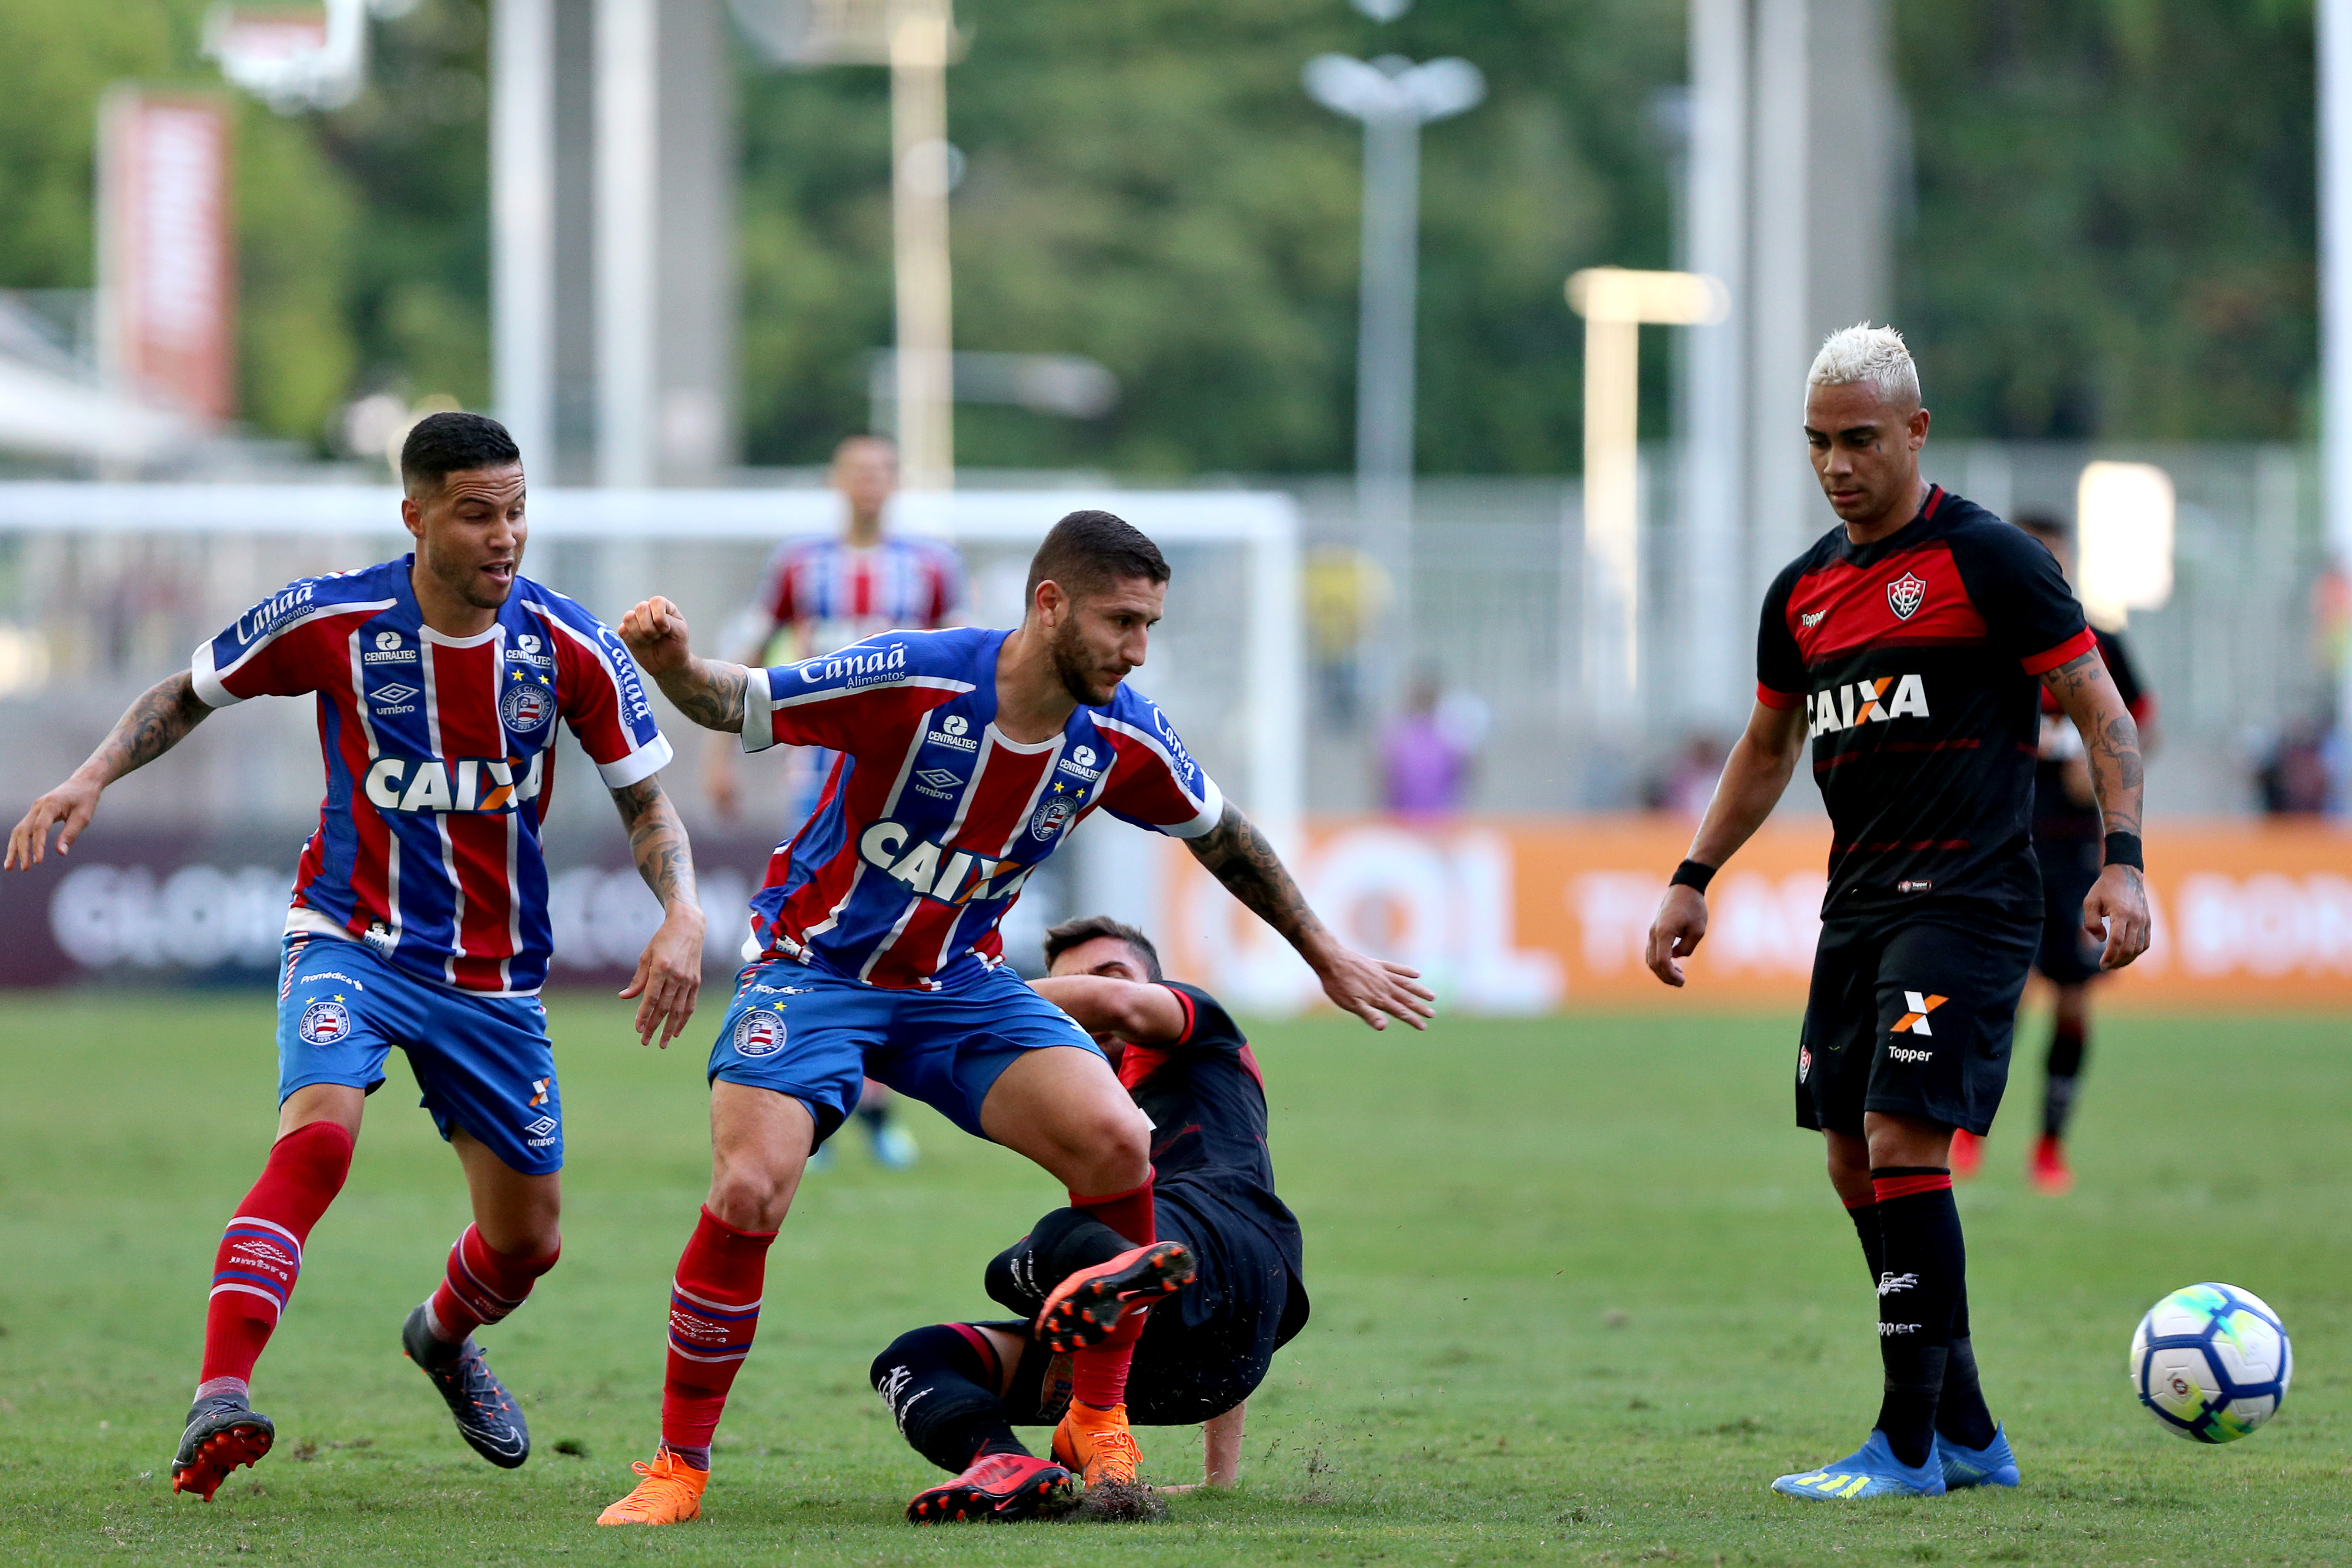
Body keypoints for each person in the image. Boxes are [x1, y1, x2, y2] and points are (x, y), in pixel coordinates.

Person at [594, 509, 1432, 1526]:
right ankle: (678, 1468)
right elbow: (740, 700)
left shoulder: (1117, 732)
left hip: (962, 986)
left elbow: (1224, 835)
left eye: (1149, 626)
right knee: (751, 1184)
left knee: (1121, 1139)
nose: (1136, 648)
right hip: (816, 970)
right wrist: (676, 664)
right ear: (1050, 603)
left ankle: (1097, 1417)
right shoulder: (919, 675)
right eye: (1122, 621)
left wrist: (1327, 952)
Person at [3, 412, 706, 1501]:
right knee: (318, 1140)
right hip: (351, 938)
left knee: (527, 1247)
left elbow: (647, 801)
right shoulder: (334, 616)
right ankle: (218, 1395)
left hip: (495, 978)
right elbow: (187, 692)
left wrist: (684, 913)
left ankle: (439, 1336)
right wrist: (93, 775)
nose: (505, 536)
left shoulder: (568, 645)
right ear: (416, 515)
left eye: (517, 511)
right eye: (478, 514)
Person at [1642, 326, 2150, 1500]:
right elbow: (1767, 745)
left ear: (1914, 431)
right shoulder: (1803, 592)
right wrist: (1692, 871)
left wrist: (2119, 861)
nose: (1834, 463)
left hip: (1968, 900)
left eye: (1857, 439)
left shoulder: (1988, 561)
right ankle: (1967, 1426)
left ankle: (1907, 1444)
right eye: (1816, 441)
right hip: (1857, 904)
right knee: (1846, 1160)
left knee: (1901, 1140)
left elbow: (2099, 709)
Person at [871, 915, 1307, 1521]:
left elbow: (1120, 1005)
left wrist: (932, 1003)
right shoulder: (1081, 1101)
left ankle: (1105, 1366)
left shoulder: (1198, 1031)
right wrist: (1218, 1479)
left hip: (1234, 1246)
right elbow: (1201, 1296)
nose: (1088, 998)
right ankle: (1006, 1465)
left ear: (1156, 985)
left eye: (1107, 974)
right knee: (915, 1357)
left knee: (1045, 1250)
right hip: (1201, 1364)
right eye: (1070, 988)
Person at [706, 433, 961, 1171]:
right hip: (819, 778)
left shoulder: (933, 567)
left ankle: (871, 1108)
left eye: (883, 470)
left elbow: (970, 661)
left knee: (892, 936)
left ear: (897, 480)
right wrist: (721, 754)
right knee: (807, 930)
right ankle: (801, 1096)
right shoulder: (798, 564)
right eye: (859, 470)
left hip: (911, 775)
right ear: (837, 480)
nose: (870, 483)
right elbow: (749, 656)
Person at [1947, 513, 2158, 1194]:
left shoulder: (2101, 643)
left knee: (2071, 1001)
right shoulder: (1984, 640)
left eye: (2053, 555)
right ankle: (1965, 1129)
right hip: (1998, 846)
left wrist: (2096, 770)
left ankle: (2048, 1146)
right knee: (1992, 998)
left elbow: (2138, 726)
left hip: (2070, 853)